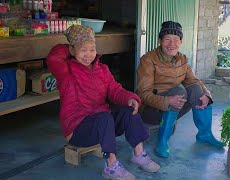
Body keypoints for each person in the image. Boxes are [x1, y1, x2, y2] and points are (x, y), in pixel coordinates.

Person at [46, 25, 160, 179]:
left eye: (92, 49)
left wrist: (130, 98)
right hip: (78, 129)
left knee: (128, 110)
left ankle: (138, 154)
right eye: (83, 50)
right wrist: (72, 44)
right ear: (71, 51)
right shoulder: (66, 71)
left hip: (101, 124)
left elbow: (115, 90)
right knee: (104, 116)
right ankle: (111, 166)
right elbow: (53, 57)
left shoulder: (103, 69)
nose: (88, 55)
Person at [136, 21, 225, 158]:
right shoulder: (148, 60)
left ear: (181, 42)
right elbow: (143, 94)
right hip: (150, 110)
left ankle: (205, 134)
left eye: (176, 39)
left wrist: (207, 94)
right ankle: (163, 140)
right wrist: (166, 101)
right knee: (180, 92)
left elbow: (194, 81)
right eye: (167, 39)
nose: (172, 44)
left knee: (196, 90)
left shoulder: (181, 59)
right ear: (160, 41)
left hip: (173, 105)